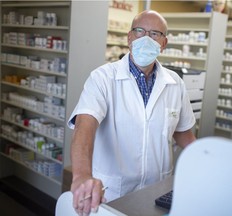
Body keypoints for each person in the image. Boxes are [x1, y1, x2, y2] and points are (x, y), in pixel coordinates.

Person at [67, 10, 196, 215]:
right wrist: (81, 175)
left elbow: (183, 133)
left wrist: (210, 160)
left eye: (155, 34)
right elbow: (85, 126)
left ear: (164, 43)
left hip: (157, 189)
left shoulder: (175, 83)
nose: (146, 38)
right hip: (114, 191)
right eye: (139, 31)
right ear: (129, 38)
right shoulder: (102, 78)